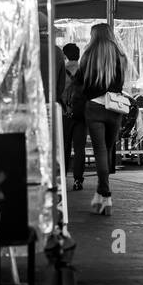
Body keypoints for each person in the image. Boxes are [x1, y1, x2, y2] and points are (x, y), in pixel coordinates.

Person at [73, 24, 128, 215]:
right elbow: (120, 83)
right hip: (114, 108)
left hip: (94, 108)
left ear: (93, 36)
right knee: (109, 148)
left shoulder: (87, 55)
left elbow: (79, 82)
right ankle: (102, 195)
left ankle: (105, 194)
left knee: (100, 151)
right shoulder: (120, 55)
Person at [59, 43, 84, 186]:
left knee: (65, 147)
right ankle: (78, 179)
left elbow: (59, 91)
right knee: (79, 148)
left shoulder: (62, 71)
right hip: (81, 114)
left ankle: (62, 178)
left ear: (65, 55)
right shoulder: (84, 70)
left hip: (65, 113)